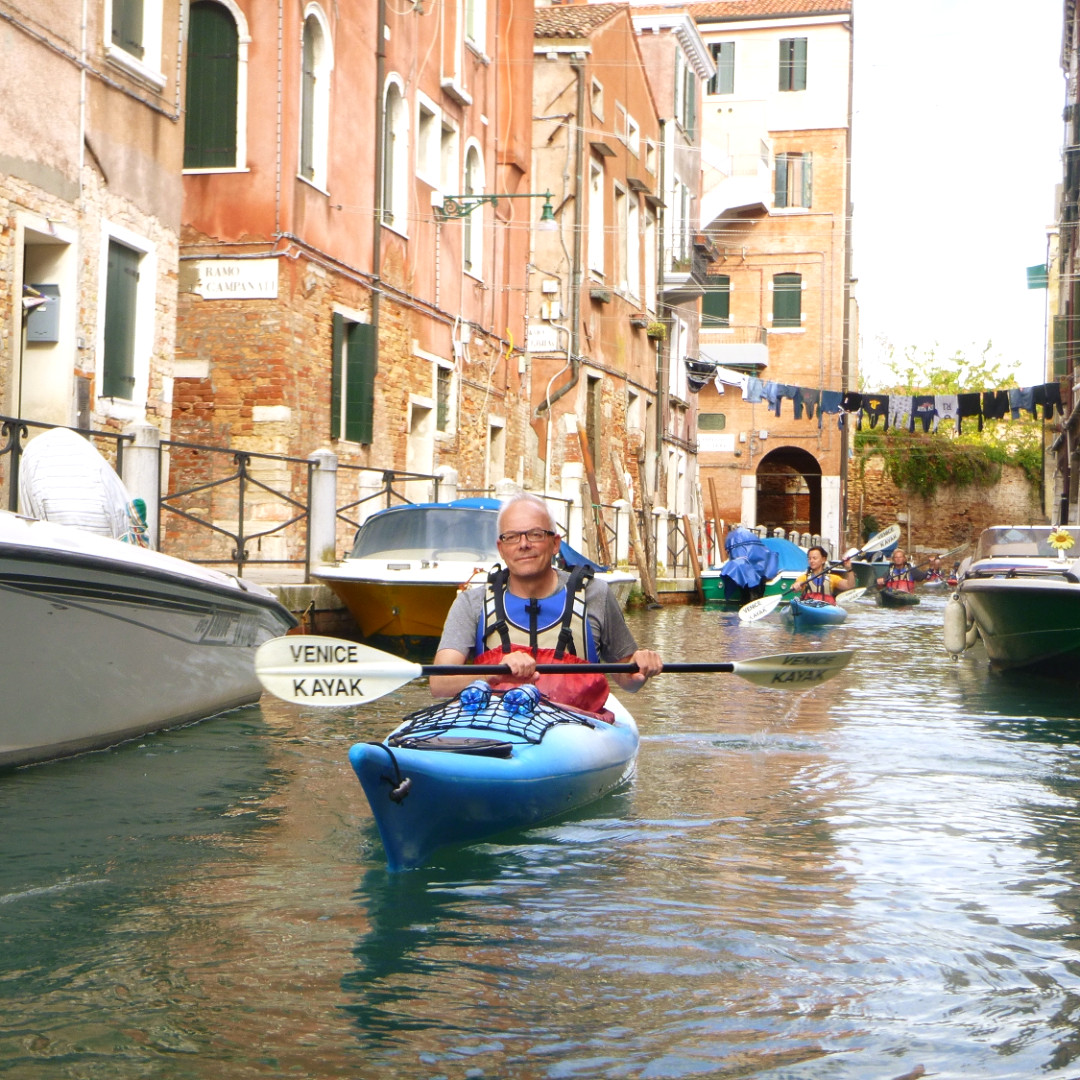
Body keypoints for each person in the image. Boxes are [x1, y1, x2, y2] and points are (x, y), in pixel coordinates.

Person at [430, 492, 662, 713]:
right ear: (501, 548)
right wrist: (492, 674)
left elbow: (628, 680)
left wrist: (640, 665)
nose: (523, 544)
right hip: (496, 726)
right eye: (512, 537)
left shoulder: (595, 594)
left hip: (575, 725)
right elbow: (439, 684)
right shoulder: (471, 603)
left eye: (535, 534)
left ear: (555, 543)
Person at [792, 546, 856, 604]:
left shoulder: (832, 578)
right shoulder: (804, 578)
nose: (811, 561)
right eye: (809, 558)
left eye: (814, 558)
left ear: (823, 560)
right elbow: (797, 584)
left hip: (826, 609)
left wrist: (849, 569)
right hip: (808, 607)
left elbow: (849, 585)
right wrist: (796, 586)